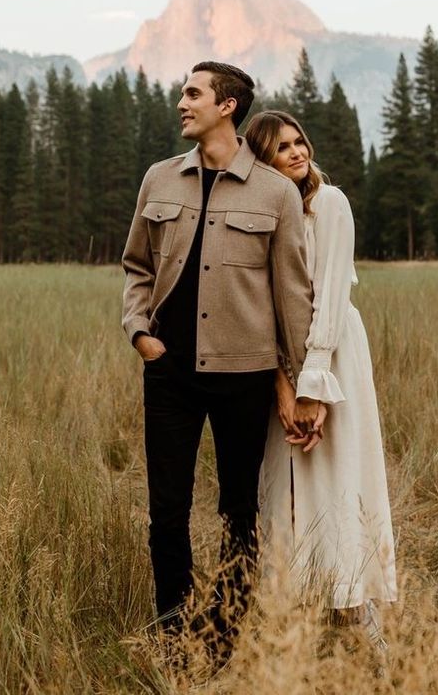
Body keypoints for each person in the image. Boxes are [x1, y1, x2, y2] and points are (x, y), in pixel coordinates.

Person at [121, 64, 321, 652]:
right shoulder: (158, 180)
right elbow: (137, 267)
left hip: (245, 376)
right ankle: (173, 633)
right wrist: (140, 333)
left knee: (239, 510)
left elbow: (293, 297)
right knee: (167, 510)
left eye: (192, 93)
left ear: (227, 106)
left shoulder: (276, 193)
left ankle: (224, 635)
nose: (181, 103)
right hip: (169, 373)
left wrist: (301, 383)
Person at [245, 110, 397, 638]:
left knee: (336, 478)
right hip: (284, 365)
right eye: (280, 148)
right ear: (261, 163)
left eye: (299, 141)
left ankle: (361, 621)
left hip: (331, 357)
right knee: (284, 489)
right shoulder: (265, 217)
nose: (296, 152)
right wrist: (284, 384)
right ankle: (296, 629)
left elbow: (330, 300)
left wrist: (314, 386)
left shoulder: (326, 204)